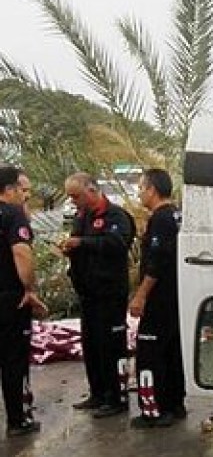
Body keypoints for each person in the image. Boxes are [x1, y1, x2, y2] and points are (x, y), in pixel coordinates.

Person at [61, 172, 135, 418]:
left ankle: (116, 397)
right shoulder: (82, 217)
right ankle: (98, 393)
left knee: (111, 346)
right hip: (88, 293)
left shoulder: (116, 216)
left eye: (76, 196)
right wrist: (70, 248)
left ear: (91, 190)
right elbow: (79, 244)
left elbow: (117, 244)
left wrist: (82, 243)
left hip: (110, 293)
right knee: (91, 345)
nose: (73, 201)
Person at [128, 168, 185, 427]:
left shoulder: (161, 219)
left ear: (152, 189)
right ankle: (175, 403)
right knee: (172, 350)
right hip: (176, 296)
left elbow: (156, 263)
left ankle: (154, 409)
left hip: (160, 298)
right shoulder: (177, 215)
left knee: (151, 353)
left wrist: (140, 295)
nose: (139, 193)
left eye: (141, 188)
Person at [0, 165, 47, 436]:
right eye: (21, 190)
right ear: (9, 190)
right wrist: (29, 288)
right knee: (13, 360)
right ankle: (17, 419)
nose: (24, 196)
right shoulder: (13, 215)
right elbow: (22, 255)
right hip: (9, 298)